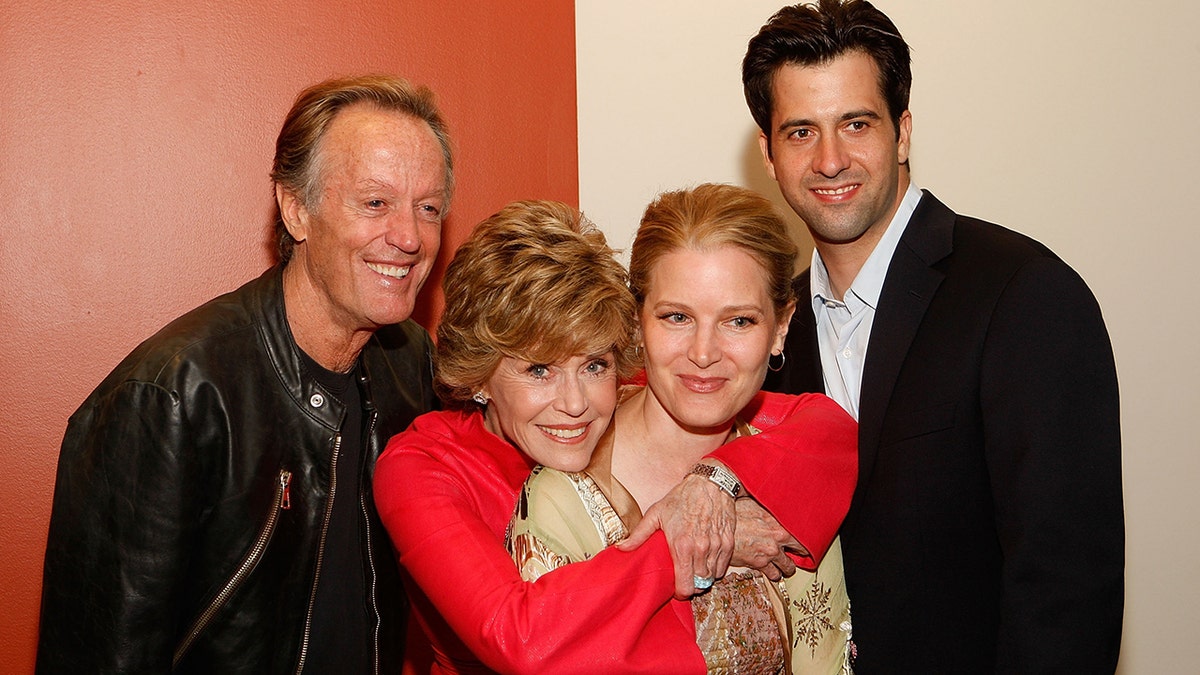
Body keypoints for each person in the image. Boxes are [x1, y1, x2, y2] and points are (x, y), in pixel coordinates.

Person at [743, 1, 1124, 671]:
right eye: (801, 132)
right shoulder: (768, 329)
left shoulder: (1022, 294)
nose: (831, 159)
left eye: (856, 124)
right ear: (770, 156)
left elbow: (1067, 590)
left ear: (903, 132)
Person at [36, 75, 452, 673]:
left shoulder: (411, 366)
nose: (409, 237)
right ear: (296, 209)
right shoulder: (170, 398)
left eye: (428, 208)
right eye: (375, 202)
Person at [374, 200, 856, 674]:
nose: (575, 403)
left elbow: (821, 425)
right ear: (479, 375)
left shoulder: (647, 395)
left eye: (594, 364)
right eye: (539, 369)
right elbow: (519, 637)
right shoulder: (424, 468)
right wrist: (700, 540)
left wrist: (715, 481)